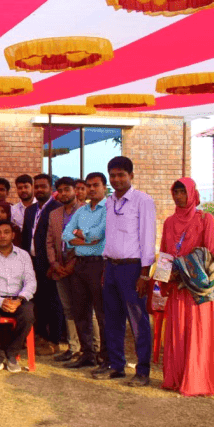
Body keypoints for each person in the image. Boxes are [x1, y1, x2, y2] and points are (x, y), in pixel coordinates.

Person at [94, 156, 155, 387]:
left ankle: (143, 371)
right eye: (113, 175)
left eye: (121, 175)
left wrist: (144, 274)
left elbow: (147, 238)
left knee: (138, 322)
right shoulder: (109, 202)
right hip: (111, 266)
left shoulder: (143, 201)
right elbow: (109, 237)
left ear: (131, 176)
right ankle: (116, 366)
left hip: (133, 268)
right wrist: (105, 267)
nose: (117, 179)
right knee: (112, 320)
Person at [159, 178, 214, 396]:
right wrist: (165, 277)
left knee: (198, 334)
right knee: (178, 335)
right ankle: (176, 378)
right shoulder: (169, 222)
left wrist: (185, 267)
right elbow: (165, 253)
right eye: (175, 192)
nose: (179, 197)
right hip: (178, 289)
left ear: (192, 194)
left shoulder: (205, 219)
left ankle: (198, 381)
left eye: (183, 192)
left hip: (197, 290)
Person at [0, 220, 37, 375]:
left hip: (18, 298)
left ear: (13, 235)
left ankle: (12, 353)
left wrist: (19, 300)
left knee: (28, 314)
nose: (2, 236)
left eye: (6, 232)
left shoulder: (23, 255)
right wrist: (0, 301)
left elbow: (31, 282)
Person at [62, 172, 108, 370]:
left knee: (102, 313)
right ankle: (87, 354)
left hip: (99, 265)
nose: (91, 189)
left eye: (96, 185)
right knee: (80, 312)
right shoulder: (81, 211)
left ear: (104, 187)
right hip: (79, 264)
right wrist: (85, 238)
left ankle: (105, 356)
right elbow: (66, 235)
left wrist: (81, 235)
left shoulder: (108, 209)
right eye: (88, 185)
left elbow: (98, 235)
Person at [20, 173, 63, 356]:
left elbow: (58, 239)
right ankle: (40, 337)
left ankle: (55, 340)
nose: (39, 190)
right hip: (32, 262)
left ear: (50, 188)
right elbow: (25, 236)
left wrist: (54, 262)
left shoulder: (57, 208)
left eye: (43, 186)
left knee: (53, 301)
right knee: (37, 301)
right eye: (36, 186)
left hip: (50, 263)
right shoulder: (30, 210)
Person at [45, 177, 85, 364]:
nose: (63, 193)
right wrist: (54, 264)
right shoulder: (54, 214)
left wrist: (73, 264)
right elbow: (49, 241)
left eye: (67, 189)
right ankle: (73, 347)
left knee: (85, 310)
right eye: (59, 190)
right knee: (68, 309)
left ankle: (91, 349)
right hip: (60, 267)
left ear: (75, 190)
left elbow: (88, 240)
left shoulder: (86, 211)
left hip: (80, 266)